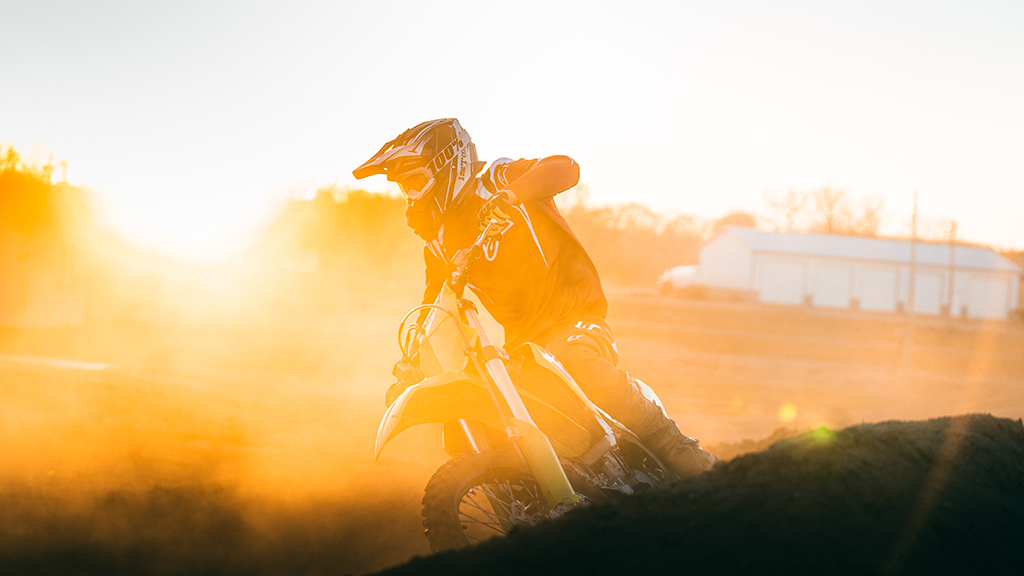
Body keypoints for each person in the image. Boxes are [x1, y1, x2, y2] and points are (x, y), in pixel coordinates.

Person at [353, 118, 716, 476]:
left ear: (450, 164)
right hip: (524, 344)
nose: (413, 195)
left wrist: (510, 196)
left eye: (416, 181)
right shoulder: (440, 240)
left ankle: (681, 450)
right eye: (405, 188)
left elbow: (566, 168)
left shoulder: (496, 179)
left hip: (575, 317)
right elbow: (434, 305)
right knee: (492, 402)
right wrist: (414, 362)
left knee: (576, 361)